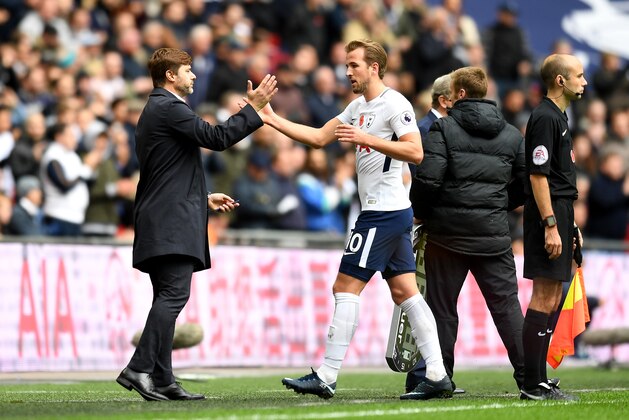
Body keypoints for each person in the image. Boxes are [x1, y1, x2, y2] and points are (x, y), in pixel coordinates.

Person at [260, 39, 452, 400]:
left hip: (382, 211)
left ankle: (327, 375)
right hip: (388, 212)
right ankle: (439, 375)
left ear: (374, 68)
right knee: (404, 291)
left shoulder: (394, 103)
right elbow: (318, 138)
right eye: (346, 66)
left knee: (345, 288)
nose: (347, 72)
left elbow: (416, 152)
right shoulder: (358, 106)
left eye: (353, 65)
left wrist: (366, 138)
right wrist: (271, 119)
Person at [116, 47, 277, 402]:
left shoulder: (155, 109)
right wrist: (254, 110)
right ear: (170, 75)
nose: (193, 75)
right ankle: (139, 368)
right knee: (175, 295)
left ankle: (162, 379)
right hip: (170, 222)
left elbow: (166, 173)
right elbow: (217, 139)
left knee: (166, 296)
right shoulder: (169, 107)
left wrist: (202, 199)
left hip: (163, 214)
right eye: (187, 70)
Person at [408, 66, 527, 395]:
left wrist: (421, 214)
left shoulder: (443, 129)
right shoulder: (512, 134)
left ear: (459, 94)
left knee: (442, 309)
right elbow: (526, 186)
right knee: (507, 307)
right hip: (493, 235)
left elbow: (428, 180)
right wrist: (497, 205)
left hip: (447, 236)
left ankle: (439, 378)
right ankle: (530, 378)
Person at [520, 53, 587, 401]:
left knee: (554, 294)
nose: (584, 82)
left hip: (560, 212)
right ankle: (532, 384)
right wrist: (550, 225)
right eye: (578, 75)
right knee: (544, 295)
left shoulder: (559, 117)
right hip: (547, 214)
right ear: (560, 80)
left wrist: (569, 223)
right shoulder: (545, 117)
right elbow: (538, 175)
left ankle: (539, 378)